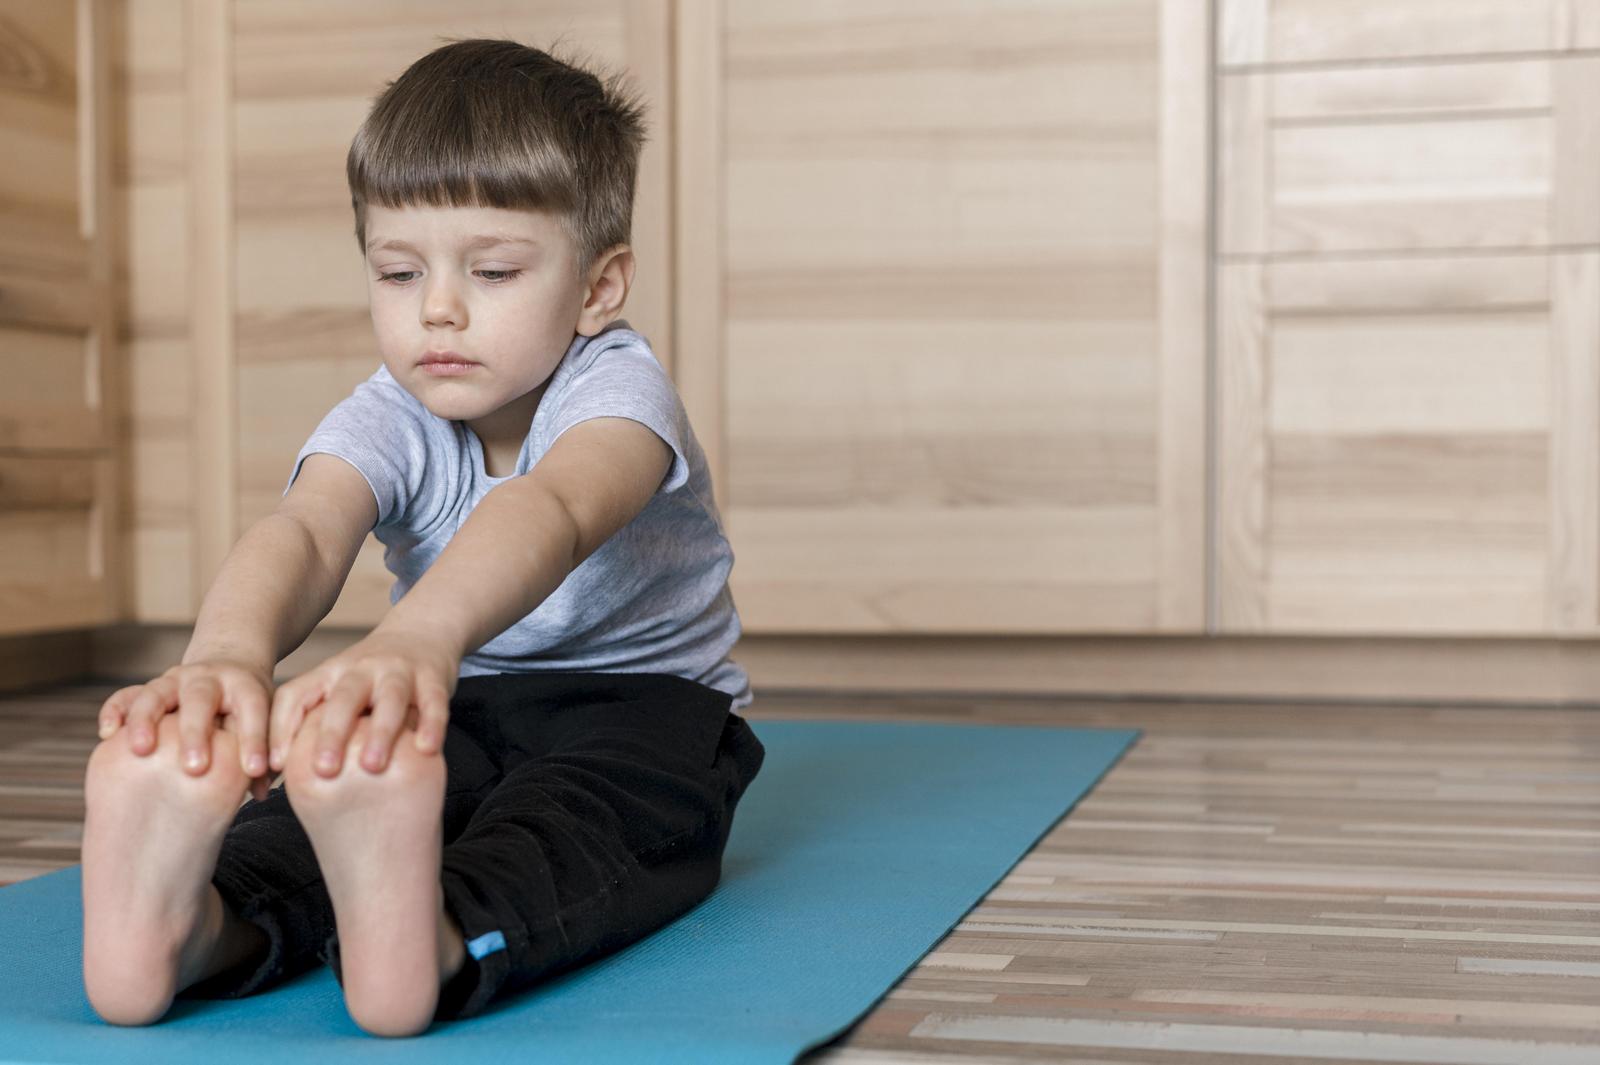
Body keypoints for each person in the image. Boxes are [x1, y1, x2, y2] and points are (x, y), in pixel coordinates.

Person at [79, 37, 763, 1038]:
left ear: (598, 287)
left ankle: (426, 934)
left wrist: (415, 640)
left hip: (648, 709)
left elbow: (552, 511)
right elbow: (308, 532)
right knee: (319, 806)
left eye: (491, 269)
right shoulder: (388, 413)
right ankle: (198, 926)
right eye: (397, 273)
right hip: (461, 704)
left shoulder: (617, 391)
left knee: (582, 820)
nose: (437, 308)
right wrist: (223, 658)